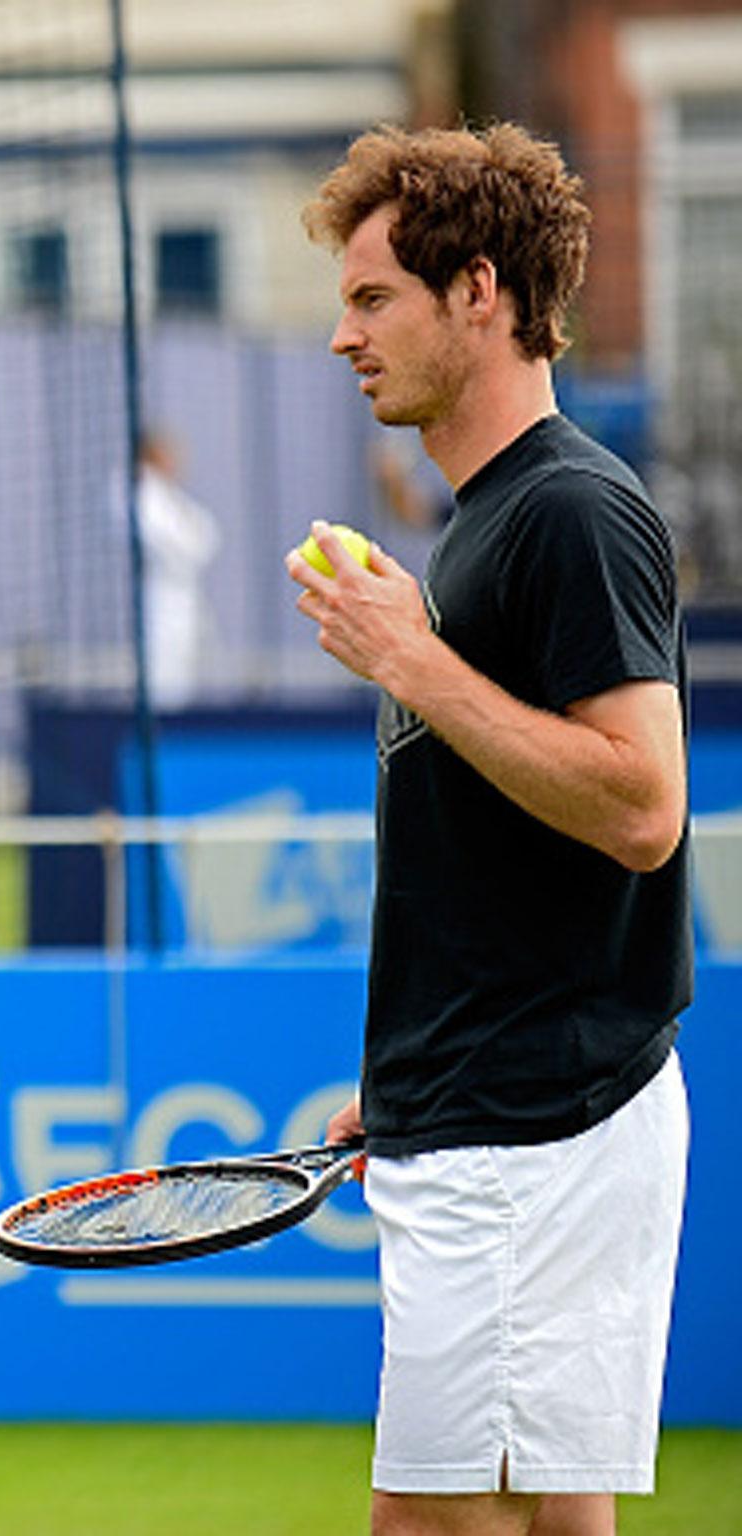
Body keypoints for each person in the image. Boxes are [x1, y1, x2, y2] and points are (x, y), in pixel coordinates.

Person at [289, 125, 691, 1536]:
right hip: (503, 1106)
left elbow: (643, 808)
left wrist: (414, 662)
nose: (342, 336)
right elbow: (504, 852)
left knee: (444, 1526)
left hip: (539, 1130)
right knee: (552, 1522)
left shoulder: (571, 511)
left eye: (371, 297)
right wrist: (416, 1068)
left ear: (479, 292)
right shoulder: (482, 527)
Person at [125, 427, 222, 709]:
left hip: (184, 598)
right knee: (163, 669)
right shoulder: (138, 492)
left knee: (191, 667)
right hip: (158, 598)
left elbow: (205, 537)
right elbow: (184, 547)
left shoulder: (166, 496)